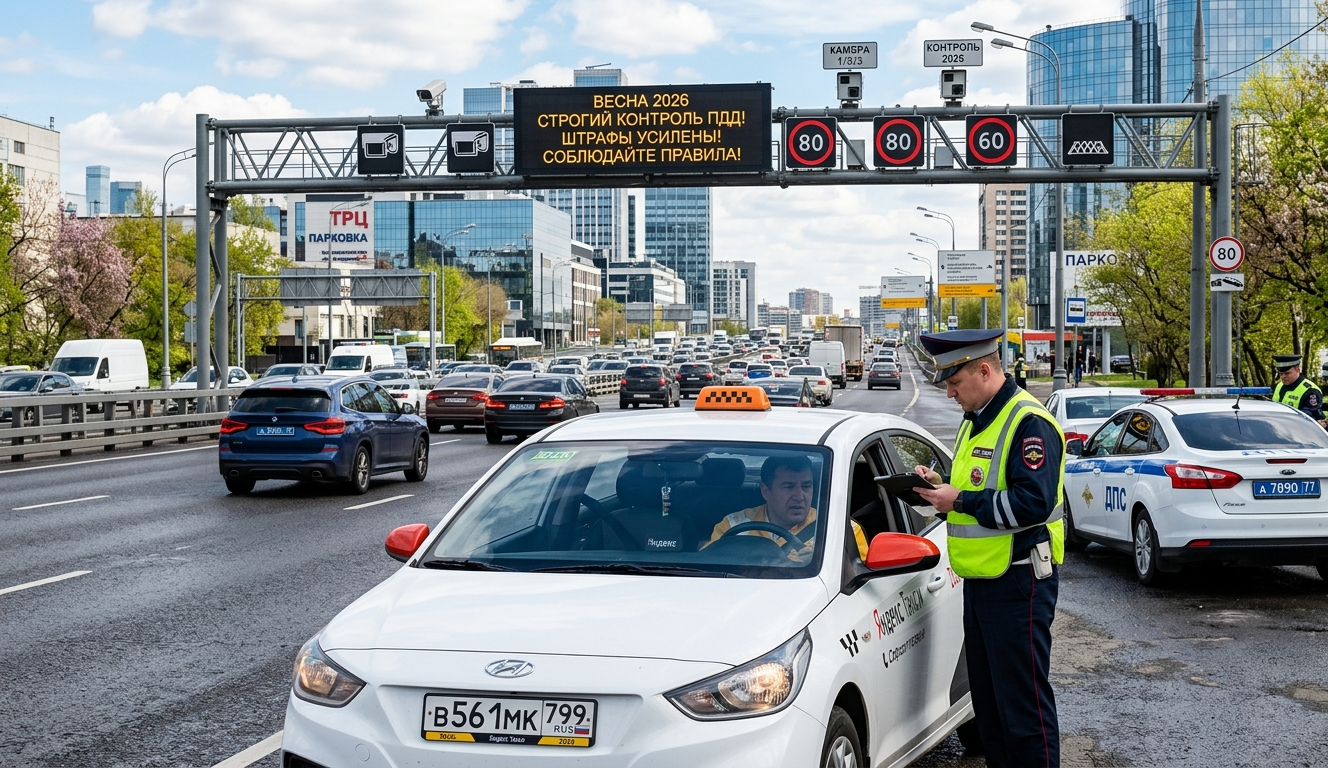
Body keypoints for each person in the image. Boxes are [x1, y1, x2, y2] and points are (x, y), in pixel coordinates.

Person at [913, 329, 1065, 768]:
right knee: (991, 707)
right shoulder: (976, 420)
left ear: (984, 369)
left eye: (955, 381)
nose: (949, 391)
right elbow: (978, 487)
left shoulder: (1027, 423)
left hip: (1019, 582)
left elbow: (1032, 503)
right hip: (982, 583)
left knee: (1023, 708)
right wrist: (941, 489)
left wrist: (958, 500)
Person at [702, 454, 868, 561]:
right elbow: (706, 565)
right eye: (789, 487)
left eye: (806, 486)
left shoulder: (842, 529)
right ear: (765, 491)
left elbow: (861, 585)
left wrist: (825, 563)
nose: (799, 496)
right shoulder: (734, 525)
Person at [1271, 354, 1326, 427]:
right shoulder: (1279, 385)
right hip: (1282, 428)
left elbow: (1306, 417)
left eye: (1287, 373)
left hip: (1303, 431)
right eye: (1281, 374)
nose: (1283, 377)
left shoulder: (1310, 390)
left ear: (1298, 370)